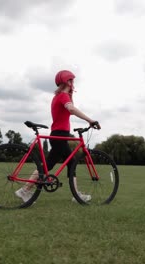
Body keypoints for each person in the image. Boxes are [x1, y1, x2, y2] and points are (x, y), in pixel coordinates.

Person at [15, 70, 101, 203]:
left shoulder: (59, 96)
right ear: (68, 82)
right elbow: (71, 109)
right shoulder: (63, 96)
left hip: (59, 135)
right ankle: (24, 190)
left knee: (71, 163)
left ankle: (76, 195)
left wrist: (72, 99)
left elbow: (69, 110)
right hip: (60, 135)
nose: (74, 85)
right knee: (47, 166)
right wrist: (90, 120)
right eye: (72, 81)